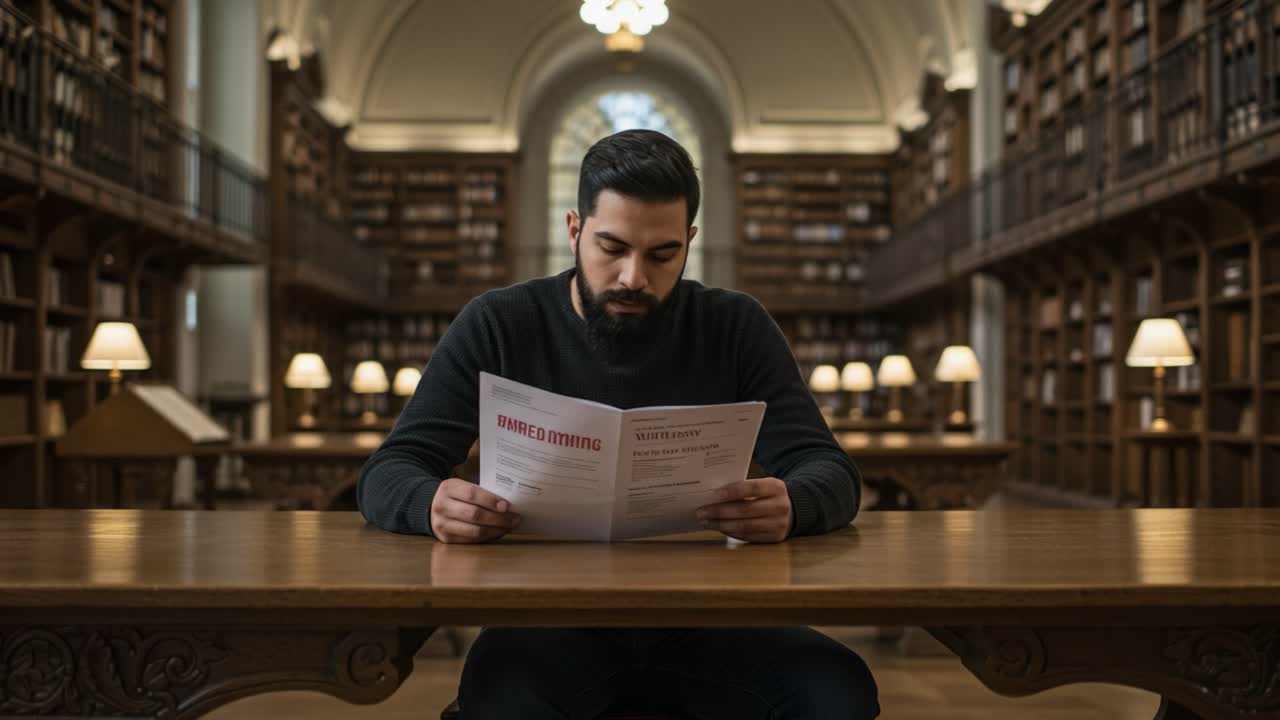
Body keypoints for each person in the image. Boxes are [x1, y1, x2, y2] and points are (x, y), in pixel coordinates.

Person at [357, 129, 878, 719]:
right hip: (548, 622)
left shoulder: (736, 327)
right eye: (612, 247)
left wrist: (795, 503)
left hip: (709, 617)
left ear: (689, 241)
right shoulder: (499, 323)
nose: (634, 277)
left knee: (837, 688)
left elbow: (832, 471)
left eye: (662, 255)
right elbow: (388, 471)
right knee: (503, 700)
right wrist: (431, 503)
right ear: (574, 230)